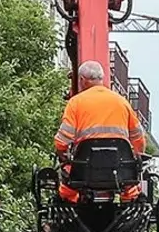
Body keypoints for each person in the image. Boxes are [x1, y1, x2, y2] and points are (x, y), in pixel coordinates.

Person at [55, 60, 146, 201]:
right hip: (120, 172)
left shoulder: (76, 103)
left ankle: (69, 210)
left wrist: (63, 155)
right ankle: (128, 209)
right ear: (101, 79)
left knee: (66, 191)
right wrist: (135, 158)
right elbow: (138, 137)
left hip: (84, 172)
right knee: (131, 191)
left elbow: (62, 141)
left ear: (81, 80)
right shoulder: (121, 102)